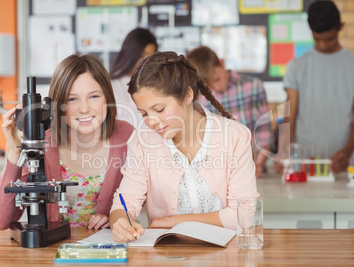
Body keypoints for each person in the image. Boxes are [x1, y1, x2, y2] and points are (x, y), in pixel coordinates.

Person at [109, 51, 258, 242]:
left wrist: (174, 222)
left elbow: (243, 214)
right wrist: (120, 221)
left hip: (227, 254)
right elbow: (125, 201)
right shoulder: (142, 141)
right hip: (167, 255)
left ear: (187, 95)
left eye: (159, 109)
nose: (152, 121)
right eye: (144, 113)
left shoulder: (235, 136)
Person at [0, 54, 134, 230]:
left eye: (94, 96)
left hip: (103, 250)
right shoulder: (41, 141)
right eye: (72, 99)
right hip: (50, 254)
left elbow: (136, 199)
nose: (84, 109)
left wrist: (114, 217)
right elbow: (1, 221)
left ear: (108, 97)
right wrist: (14, 152)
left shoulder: (126, 136)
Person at [275, 0, 354, 174]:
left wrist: (348, 151)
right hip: (305, 165)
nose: (323, 45)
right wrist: (284, 151)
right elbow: (290, 115)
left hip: (344, 167)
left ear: (340, 27)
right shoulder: (297, 66)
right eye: (317, 39)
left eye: (329, 39)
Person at [186, 46, 272, 178]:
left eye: (217, 79)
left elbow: (264, 132)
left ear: (222, 63)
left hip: (254, 170)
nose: (216, 88)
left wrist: (258, 165)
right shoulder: (199, 100)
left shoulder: (253, 87)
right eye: (209, 86)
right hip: (216, 174)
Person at [110, 27, 158, 128]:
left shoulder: (156, 86)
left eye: (150, 57)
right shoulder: (110, 85)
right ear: (130, 54)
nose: (145, 62)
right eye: (142, 55)